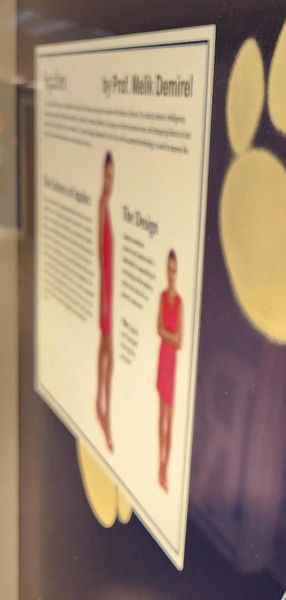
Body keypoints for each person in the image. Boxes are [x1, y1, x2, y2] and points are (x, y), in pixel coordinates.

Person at [156, 249, 182, 492]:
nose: (171, 274)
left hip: (171, 362)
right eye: (169, 269)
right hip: (163, 358)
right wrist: (169, 335)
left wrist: (168, 335)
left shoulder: (179, 302)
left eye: (174, 270)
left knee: (170, 420)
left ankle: (165, 466)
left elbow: (179, 339)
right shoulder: (163, 297)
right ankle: (160, 463)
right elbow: (160, 330)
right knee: (160, 416)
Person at [95, 151, 114, 452]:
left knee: (105, 352)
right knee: (106, 354)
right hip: (105, 294)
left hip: (108, 290)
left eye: (112, 176)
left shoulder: (107, 205)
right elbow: (101, 254)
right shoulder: (101, 205)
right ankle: (104, 411)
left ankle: (102, 405)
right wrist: (105, 303)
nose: (110, 181)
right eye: (107, 175)